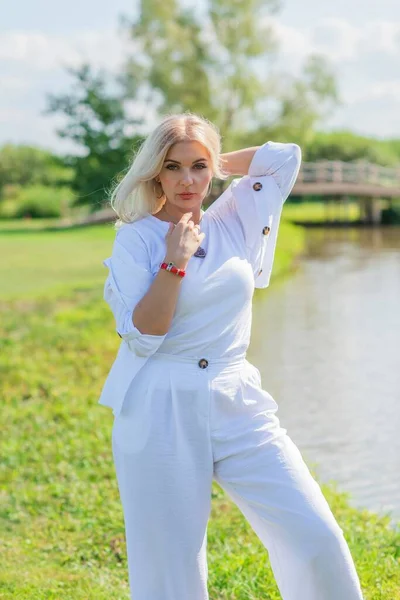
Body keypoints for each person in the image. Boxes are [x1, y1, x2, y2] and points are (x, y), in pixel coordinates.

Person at [99, 112, 364, 600]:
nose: (187, 180)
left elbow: (283, 159)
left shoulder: (233, 217)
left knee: (315, 536)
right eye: (173, 167)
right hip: (162, 403)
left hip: (236, 394)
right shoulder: (134, 240)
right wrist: (174, 262)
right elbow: (144, 333)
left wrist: (214, 159)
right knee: (171, 567)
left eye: (197, 167)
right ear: (155, 172)